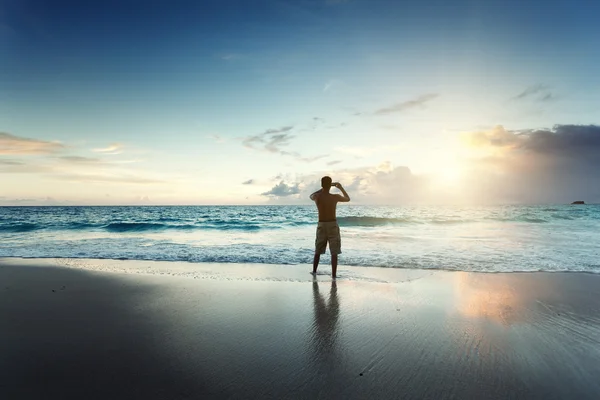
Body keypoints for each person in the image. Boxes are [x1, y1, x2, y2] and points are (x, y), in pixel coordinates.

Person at [309, 176, 350, 278]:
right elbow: (348, 199)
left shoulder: (317, 196)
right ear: (330, 185)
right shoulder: (334, 197)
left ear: (322, 185)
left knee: (318, 250)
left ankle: (314, 271)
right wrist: (340, 187)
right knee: (334, 252)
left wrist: (324, 188)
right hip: (332, 225)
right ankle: (334, 275)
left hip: (321, 225)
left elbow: (311, 195)